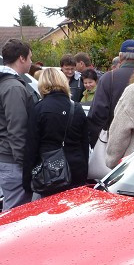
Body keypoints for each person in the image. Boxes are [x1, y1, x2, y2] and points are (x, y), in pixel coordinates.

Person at [0, 38, 37, 210]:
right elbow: (17, 130)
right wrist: (26, 166)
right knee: (16, 214)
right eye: (30, 58)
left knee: (10, 207)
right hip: (12, 160)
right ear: (21, 58)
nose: (31, 62)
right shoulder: (13, 88)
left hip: (1, 155)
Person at [23, 68, 89, 197]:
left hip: (51, 172)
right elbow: (84, 144)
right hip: (76, 168)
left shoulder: (39, 109)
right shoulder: (77, 107)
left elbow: (31, 147)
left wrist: (26, 180)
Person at [87, 39, 134, 146]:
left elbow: (97, 115)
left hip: (113, 143)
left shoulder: (108, 78)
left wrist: (96, 143)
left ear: (120, 57)